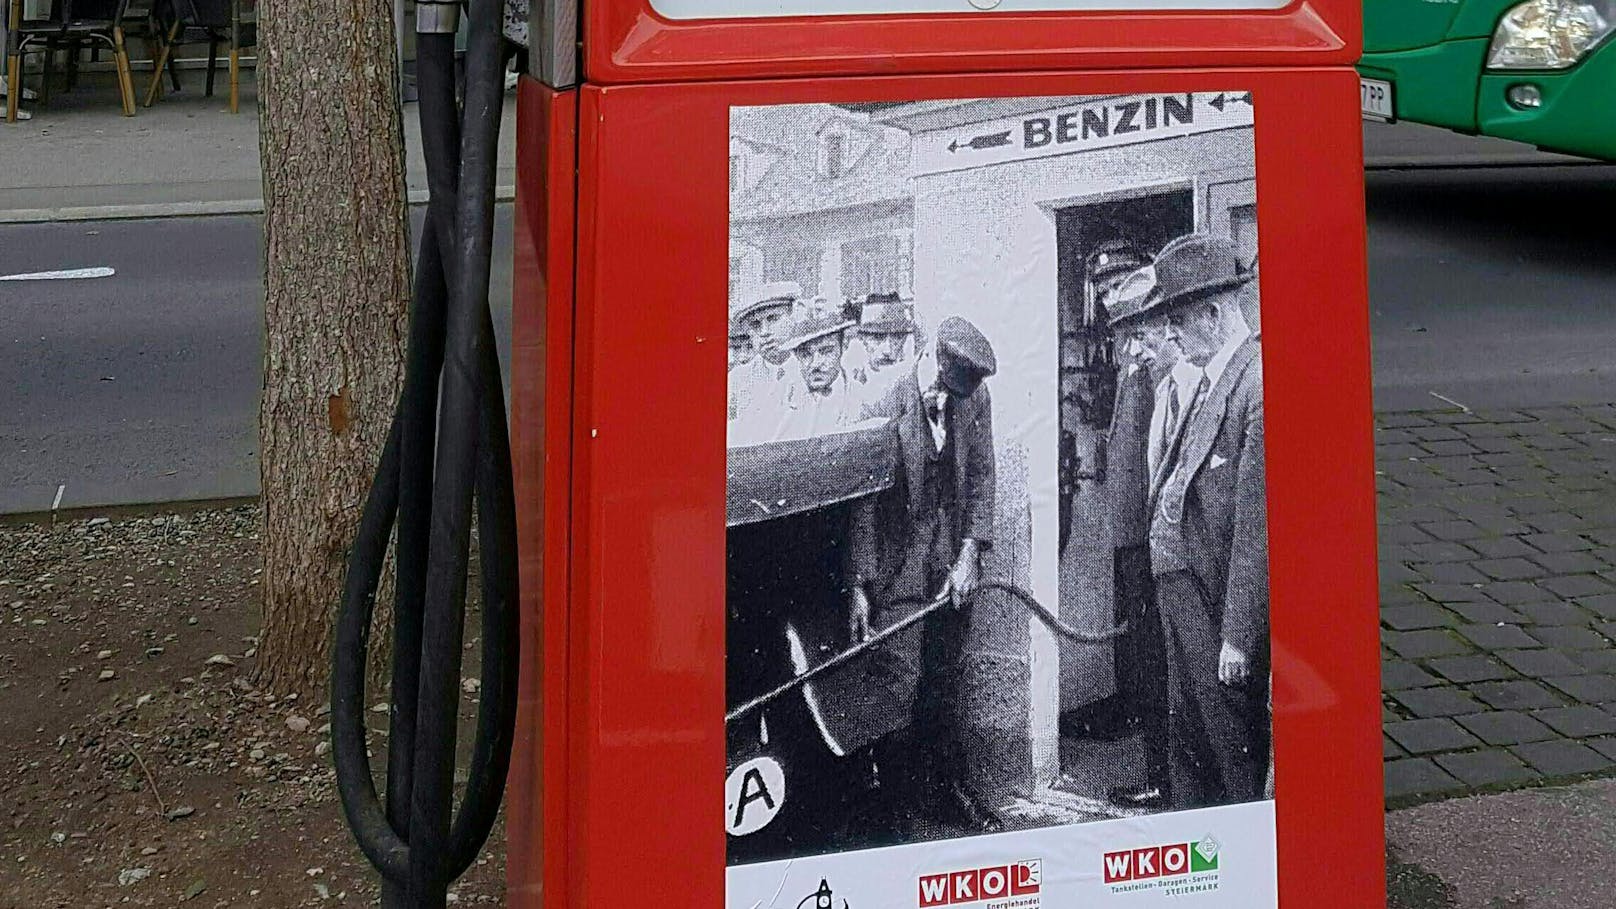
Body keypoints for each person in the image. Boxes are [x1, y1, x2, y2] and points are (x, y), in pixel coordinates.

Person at [851, 316, 1000, 833]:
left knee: (944, 681)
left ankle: (949, 797)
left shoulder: (974, 397)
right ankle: (898, 815)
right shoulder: (881, 401)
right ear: (935, 364)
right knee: (898, 688)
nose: (959, 399)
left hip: (948, 563)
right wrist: (860, 584)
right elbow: (864, 504)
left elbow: (982, 478)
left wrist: (968, 556)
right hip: (897, 570)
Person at [1142, 234, 1268, 811]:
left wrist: (1238, 637)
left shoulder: (1255, 386)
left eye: (1177, 320)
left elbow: (1255, 526)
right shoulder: (1215, 377)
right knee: (1190, 739)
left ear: (1213, 315)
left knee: (1228, 750)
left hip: (1213, 604)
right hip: (1183, 592)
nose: (1170, 335)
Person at [772, 312, 861, 441]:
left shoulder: (862, 399)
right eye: (805, 354)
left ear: (843, 346)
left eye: (826, 351)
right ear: (796, 355)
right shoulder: (782, 401)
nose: (815, 364)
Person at [728, 282, 800, 438]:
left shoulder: (811, 369)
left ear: (792, 318)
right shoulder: (737, 379)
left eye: (773, 319)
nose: (764, 332)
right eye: (755, 325)